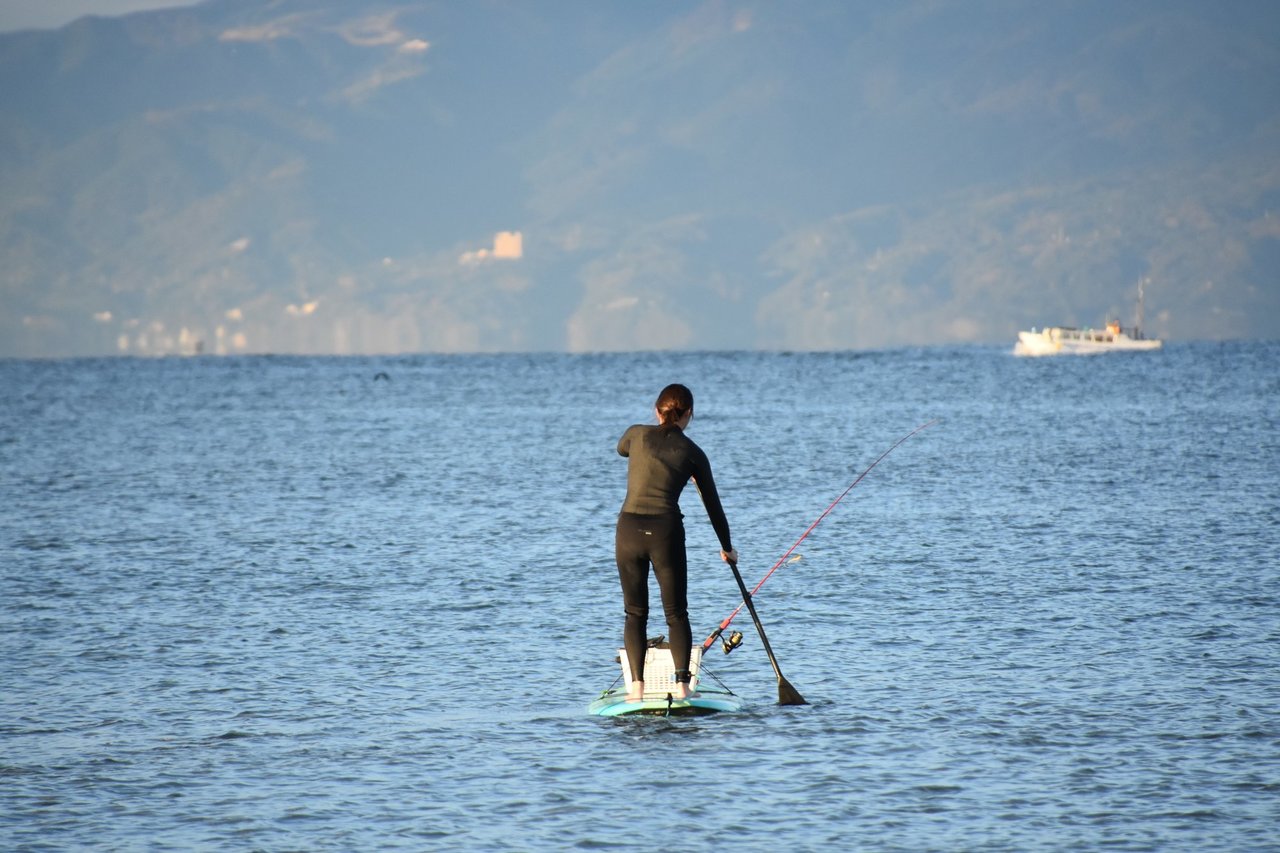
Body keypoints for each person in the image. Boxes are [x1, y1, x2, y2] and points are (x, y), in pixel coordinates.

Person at [615, 383, 737, 701]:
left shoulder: (636, 433)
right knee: (676, 613)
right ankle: (682, 688)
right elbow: (713, 506)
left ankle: (636, 690)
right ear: (689, 414)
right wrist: (727, 548)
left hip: (628, 531)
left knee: (635, 613)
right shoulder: (693, 453)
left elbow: (621, 449)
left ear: (657, 410)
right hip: (664, 533)